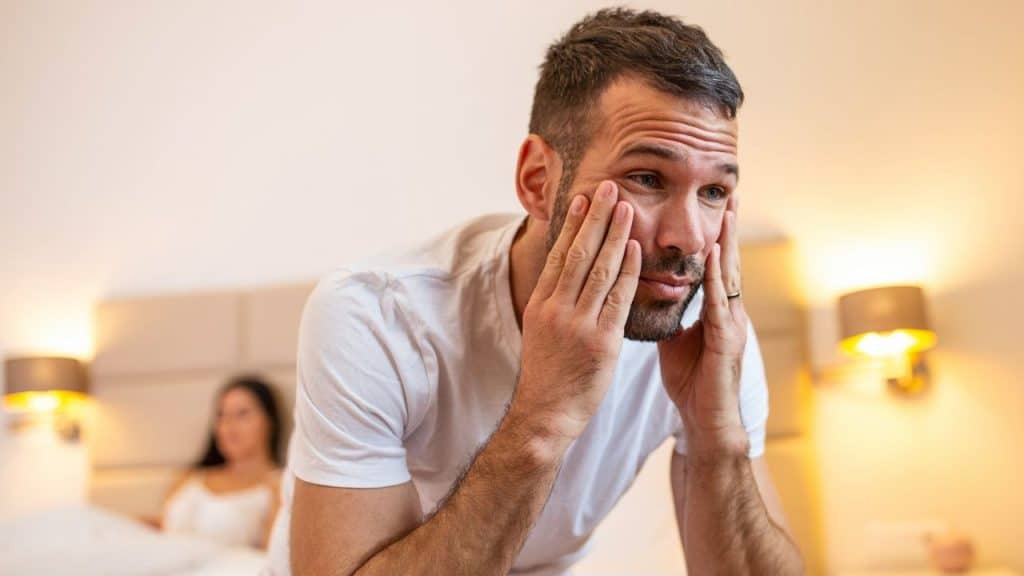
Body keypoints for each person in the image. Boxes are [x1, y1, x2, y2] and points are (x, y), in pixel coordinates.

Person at [270, 8, 804, 575]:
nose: (689, 236)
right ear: (538, 182)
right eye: (647, 178)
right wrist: (542, 418)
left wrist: (719, 439)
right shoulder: (376, 315)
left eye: (716, 191)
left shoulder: (707, 331)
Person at [163, 375, 283, 550]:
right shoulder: (191, 478)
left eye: (242, 414)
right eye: (221, 415)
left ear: (270, 421)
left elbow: (272, 559)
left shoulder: (278, 488)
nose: (229, 425)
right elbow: (164, 531)